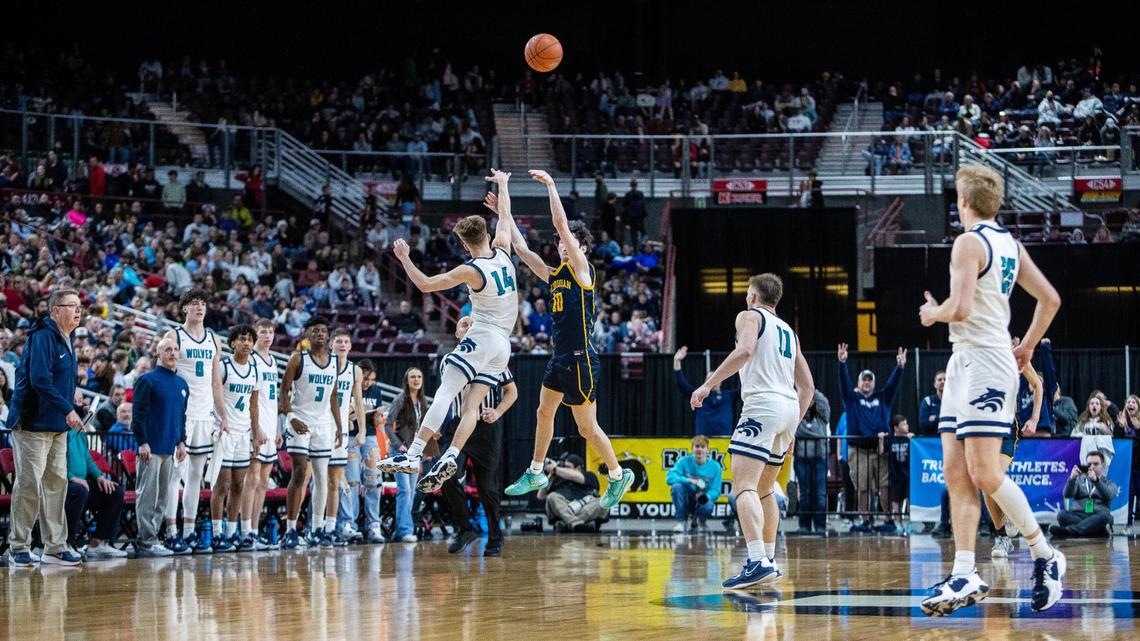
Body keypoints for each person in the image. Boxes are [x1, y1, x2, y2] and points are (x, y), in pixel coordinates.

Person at [918, 164, 1065, 616]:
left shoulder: (968, 241)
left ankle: (1046, 555)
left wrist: (932, 313)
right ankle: (964, 570)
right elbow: (1050, 300)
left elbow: (959, 309)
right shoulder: (1010, 244)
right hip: (967, 361)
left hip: (984, 360)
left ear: (963, 202)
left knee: (983, 472)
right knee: (956, 472)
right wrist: (1027, 347)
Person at [378, 169, 520, 500]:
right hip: (503, 346)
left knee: (445, 390)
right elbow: (507, 216)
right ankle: (453, 455)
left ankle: (413, 455)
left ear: (463, 242)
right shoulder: (503, 251)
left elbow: (425, 284)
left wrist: (404, 258)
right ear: (488, 233)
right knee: (472, 404)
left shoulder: (470, 270)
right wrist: (503, 183)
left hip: (483, 333)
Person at [496, 170, 635, 508]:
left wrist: (552, 186)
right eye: (560, 242)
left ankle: (618, 475)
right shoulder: (555, 274)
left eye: (568, 241)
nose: (561, 244)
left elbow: (560, 224)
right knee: (544, 412)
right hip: (560, 357)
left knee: (587, 429)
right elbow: (521, 249)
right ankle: (536, 470)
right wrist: (504, 207)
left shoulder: (583, 270)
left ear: (581, 247)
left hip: (581, 358)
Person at [690, 273, 815, 589]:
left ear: (753, 297)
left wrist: (708, 384)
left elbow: (744, 351)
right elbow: (808, 386)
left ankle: (757, 560)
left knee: (742, 486)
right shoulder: (789, 330)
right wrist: (794, 427)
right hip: (788, 407)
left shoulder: (749, 316)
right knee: (764, 489)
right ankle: (769, 560)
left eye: (748, 292)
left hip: (763, 404)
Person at [5, 289, 86, 567]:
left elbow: (58, 377)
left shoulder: (68, 337)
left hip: (56, 425)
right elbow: (39, 379)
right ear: (55, 311)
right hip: (32, 422)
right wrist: (68, 409)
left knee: (56, 484)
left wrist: (72, 394)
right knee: (29, 484)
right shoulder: (42, 335)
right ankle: (18, 545)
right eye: (72, 306)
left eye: (79, 306)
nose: (78, 311)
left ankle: (54, 546)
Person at [437, 316, 516, 557]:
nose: (469, 327)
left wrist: (498, 410)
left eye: (474, 325)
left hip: (486, 428)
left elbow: (512, 392)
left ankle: (495, 537)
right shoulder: (449, 360)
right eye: (464, 325)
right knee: (446, 475)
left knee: (487, 488)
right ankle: (465, 529)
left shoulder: (496, 358)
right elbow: (446, 396)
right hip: (458, 425)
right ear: (457, 334)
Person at [161, 289, 227, 554]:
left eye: (203, 303)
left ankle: (188, 531)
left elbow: (216, 383)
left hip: (204, 414)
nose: (200, 307)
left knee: (196, 477)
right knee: (174, 475)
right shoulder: (173, 336)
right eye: (194, 303)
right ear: (184, 308)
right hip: (181, 414)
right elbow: (165, 374)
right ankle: (170, 531)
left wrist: (222, 416)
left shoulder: (213, 339)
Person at [279, 317, 343, 548]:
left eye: (323, 331)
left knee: (322, 477)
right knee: (299, 473)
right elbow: (284, 392)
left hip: (323, 424)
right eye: (315, 330)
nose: (319, 334)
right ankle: (290, 531)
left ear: (328, 336)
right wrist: (291, 417)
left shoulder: (335, 361)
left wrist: (339, 426)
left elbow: (334, 396)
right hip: (300, 421)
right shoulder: (297, 359)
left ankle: (317, 530)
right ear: (307, 334)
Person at [837, 344, 906, 533]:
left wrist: (899, 368)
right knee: (863, 487)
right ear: (858, 383)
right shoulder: (852, 399)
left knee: (885, 486)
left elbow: (892, 385)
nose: (867, 383)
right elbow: (843, 384)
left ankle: (888, 520)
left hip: (880, 449)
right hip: (858, 451)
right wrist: (842, 364)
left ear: (874, 383)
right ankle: (865, 520)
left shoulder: (883, 398)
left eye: (870, 380)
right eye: (863, 380)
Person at [986, 340, 1044, 560]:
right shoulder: (978, 355)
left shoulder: (1015, 356)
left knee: (995, 476)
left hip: (1007, 426)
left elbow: (1038, 385)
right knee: (986, 484)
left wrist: (1035, 419)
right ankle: (1002, 537)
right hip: (984, 425)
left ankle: (1016, 522)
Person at [132, 337, 189, 557]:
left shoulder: (182, 384)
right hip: (150, 447)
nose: (173, 353)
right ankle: (146, 541)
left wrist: (181, 441)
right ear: (159, 354)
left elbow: (181, 417)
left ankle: (154, 537)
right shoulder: (147, 380)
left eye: (175, 349)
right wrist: (142, 441)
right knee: (148, 495)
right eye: (168, 350)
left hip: (170, 448)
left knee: (163, 496)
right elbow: (139, 415)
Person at [210, 324, 260, 552]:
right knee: (222, 484)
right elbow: (214, 394)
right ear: (232, 343)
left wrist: (256, 431)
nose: (246, 343)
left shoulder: (254, 369)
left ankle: (232, 532)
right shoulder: (223, 366)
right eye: (242, 339)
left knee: (240, 484)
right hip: (224, 431)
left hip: (243, 433)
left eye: (250, 339)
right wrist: (219, 420)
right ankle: (216, 532)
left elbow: (253, 404)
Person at [239, 318, 281, 550]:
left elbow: (271, 399)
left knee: (264, 481)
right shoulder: (251, 360)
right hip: (253, 427)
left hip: (269, 424)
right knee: (251, 479)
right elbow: (250, 400)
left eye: (270, 332)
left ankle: (255, 530)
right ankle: (245, 531)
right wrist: (256, 429)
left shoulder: (272, 360)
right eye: (263, 331)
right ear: (255, 335)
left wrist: (275, 428)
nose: (267, 335)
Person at [326, 328, 366, 544]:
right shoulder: (323, 365)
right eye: (338, 341)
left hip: (341, 430)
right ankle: (316, 526)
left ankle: (339, 525)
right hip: (321, 427)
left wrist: (362, 430)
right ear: (331, 344)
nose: (342, 345)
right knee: (316, 480)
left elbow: (358, 402)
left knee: (338, 480)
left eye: (345, 342)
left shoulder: (355, 371)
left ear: (350, 346)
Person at [339, 360, 385, 543]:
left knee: (374, 479)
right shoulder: (349, 388)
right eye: (366, 379)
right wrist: (355, 412)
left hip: (370, 436)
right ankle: (349, 523)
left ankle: (374, 524)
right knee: (352, 481)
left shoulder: (376, 391)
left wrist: (376, 416)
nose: (368, 383)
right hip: (350, 435)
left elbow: (376, 422)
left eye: (372, 380)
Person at [383, 368, 432, 543]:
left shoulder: (422, 401)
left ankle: (403, 529)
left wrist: (426, 449)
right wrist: (399, 445)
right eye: (413, 377)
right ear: (407, 380)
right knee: (404, 490)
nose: (416, 379)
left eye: (419, 376)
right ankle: (404, 531)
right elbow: (387, 425)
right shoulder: (400, 399)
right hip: (399, 452)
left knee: (411, 492)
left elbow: (422, 429)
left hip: (415, 453)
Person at [65, 425, 128, 558]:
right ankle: (66, 544)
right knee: (79, 491)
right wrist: (71, 477)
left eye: (80, 402)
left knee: (114, 492)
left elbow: (87, 458)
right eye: (75, 402)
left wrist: (99, 476)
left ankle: (98, 543)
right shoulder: (59, 430)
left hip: (82, 482)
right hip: (62, 483)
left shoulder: (80, 431)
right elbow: (53, 461)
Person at [673, 346, 740, 436]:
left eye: (715, 378)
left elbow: (746, 388)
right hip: (702, 439)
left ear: (721, 380)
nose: (712, 381)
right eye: (709, 378)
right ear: (705, 381)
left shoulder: (729, 395)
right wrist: (676, 361)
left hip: (724, 438)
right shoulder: (698, 395)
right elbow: (682, 384)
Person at [1050, 451, 1117, 538]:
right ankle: (1095, 530)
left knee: (1106, 517)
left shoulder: (1110, 483)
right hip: (1079, 515)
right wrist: (1072, 479)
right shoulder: (1078, 480)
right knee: (1062, 515)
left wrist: (1096, 481)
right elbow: (1067, 495)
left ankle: (1068, 531)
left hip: (1098, 516)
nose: (1092, 467)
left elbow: (1109, 495)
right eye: (1089, 464)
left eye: (1096, 464)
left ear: (1103, 466)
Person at [666, 435, 724, 533]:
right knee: (676, 487)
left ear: (707, 450)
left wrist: (707, 496)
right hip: (687, 499)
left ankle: (701, 522)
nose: (699, 449)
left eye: (703, 447)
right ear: (692, 449)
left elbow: (716, 490)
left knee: (708, 504)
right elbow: (670, 478)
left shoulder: (715, 466)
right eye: (697, 446)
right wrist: (689, 480)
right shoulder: (683, 461)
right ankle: (682, 522)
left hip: (702, 499)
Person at [537, 453, 607, 531]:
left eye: (568, 467)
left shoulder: (589, 475)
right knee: (551, 497)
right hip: (564, 506)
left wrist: (555, 469)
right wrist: (551, 473)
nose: (565, 469)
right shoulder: (558, 477)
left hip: (584, 507)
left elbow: (575, 476)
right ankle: (578, 524)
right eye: (565, 466)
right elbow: (540, 496)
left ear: (578, 468)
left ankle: (567, 524)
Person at [793, 389, 830, 533]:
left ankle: (821, 526)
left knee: (820, 493)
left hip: (820, 458)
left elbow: (824, 402)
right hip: (802, 459)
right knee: (805, 493)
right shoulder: (798, 416)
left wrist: (809, 389)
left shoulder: (822, 416)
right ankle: (804, 526)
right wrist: (801, 394)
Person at [884, 415, 913, 531]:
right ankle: (898, 523)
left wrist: (913, 439)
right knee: (895, 501)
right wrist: (881, 439)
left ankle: (911, 522)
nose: (907, 426)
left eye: (906, 424)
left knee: (909, 499)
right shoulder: (890, 439)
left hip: (907, 475)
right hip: (895, 475)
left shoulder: (908, 439)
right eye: (904, 424)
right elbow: (882, 451)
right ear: (896, 428)